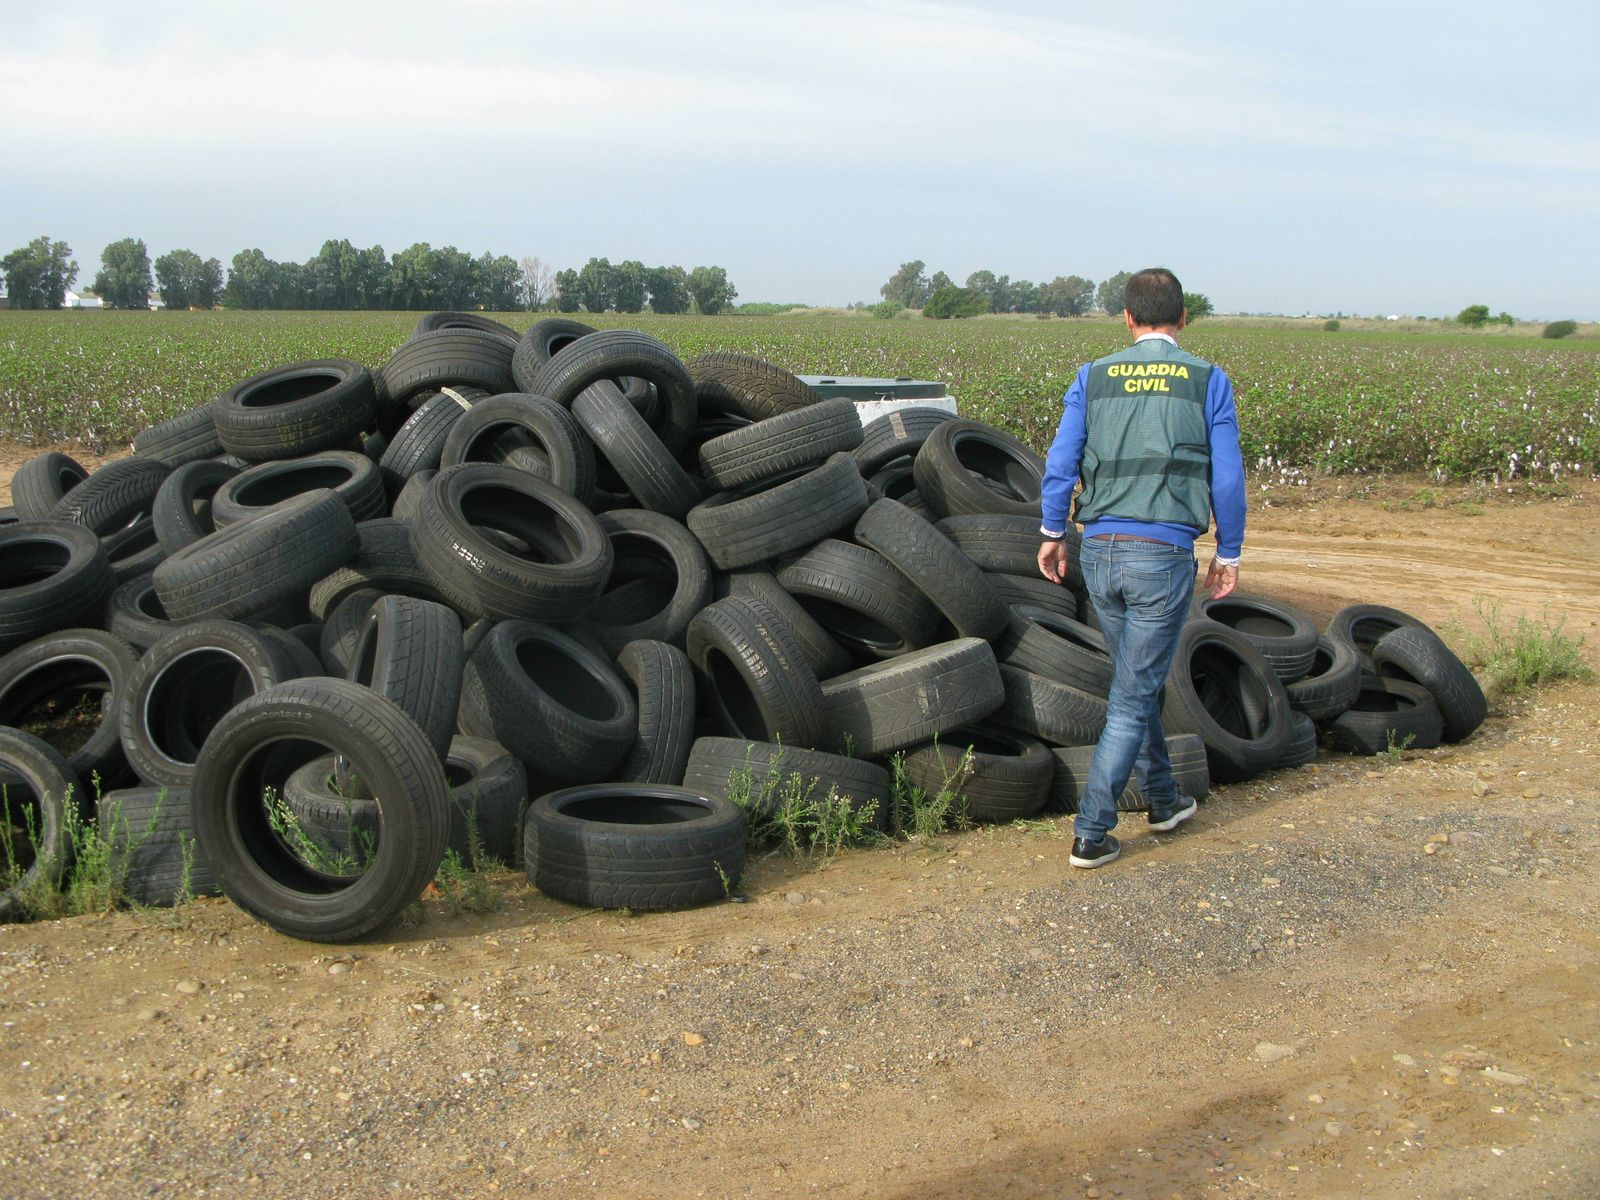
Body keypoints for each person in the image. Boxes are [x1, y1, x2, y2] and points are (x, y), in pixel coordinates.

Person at [1036, 267, 1245, 869]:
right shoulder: (1208, 379)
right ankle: (1092, 830)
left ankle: (1163, 799)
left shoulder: (1093, 376)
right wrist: (1229, 551)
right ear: (1184, 318)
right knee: (1133, 696)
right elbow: (1226, 477)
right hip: (1163, 554)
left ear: (1127, 319)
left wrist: (1053, 531)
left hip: (1099, 550)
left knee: (1136, 682)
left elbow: (1061, 458)